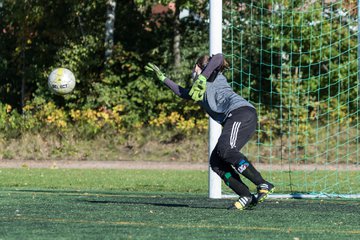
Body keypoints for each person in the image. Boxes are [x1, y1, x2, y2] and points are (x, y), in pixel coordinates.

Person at [145, 53, 274, 210]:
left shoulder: (212, 75)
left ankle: (262, 183)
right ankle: (245, 195)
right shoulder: (199, 89)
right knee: (216, 162)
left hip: (241, 112)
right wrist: (163, 79)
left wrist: (203, 76)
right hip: (235, 119)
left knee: (226, 150)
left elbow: (219, 57)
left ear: (201, 67)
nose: (193, 70)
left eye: (195, 66)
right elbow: (183, 93)